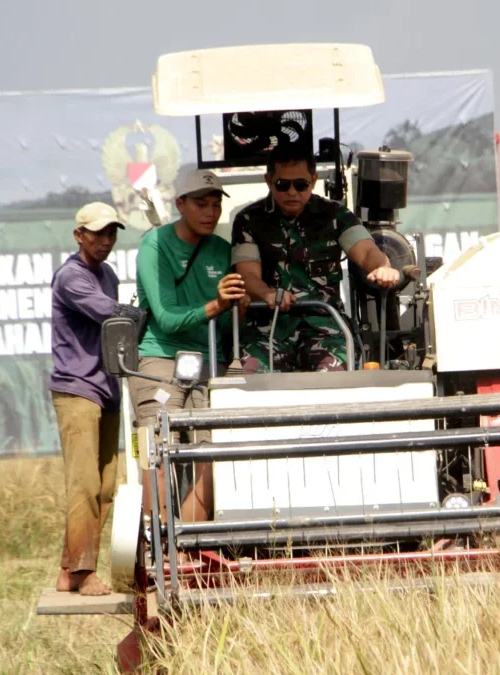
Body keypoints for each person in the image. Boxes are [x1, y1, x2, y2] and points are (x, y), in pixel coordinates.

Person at [131, 169, 249, 522]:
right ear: (179, 204)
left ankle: (192, 550)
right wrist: (216, 305)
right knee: (158, 452)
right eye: (201, 204)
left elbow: (227, 328)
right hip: (160, 356)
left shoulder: (222, 250)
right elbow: (165, 317)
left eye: (215, 204)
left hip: (209, 359)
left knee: (208, 455)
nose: (210, 212)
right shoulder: (155, 244)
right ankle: (160, 554)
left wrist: (238, 310)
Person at [230, 142, 400, 373]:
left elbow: (368, 251)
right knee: (249, 374)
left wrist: (382, 266)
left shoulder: (335, 215)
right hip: (267, 328)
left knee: (338, 373)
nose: (292, 192)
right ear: (268, 181)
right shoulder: (248, 220)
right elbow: (247, 274)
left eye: (301, 185)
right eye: (282, 184)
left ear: (313, 180)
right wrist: (267, 294)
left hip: (325, 326)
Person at [48, 201, 127, 596]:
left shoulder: (108, 273)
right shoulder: (71, 277)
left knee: (105, 486)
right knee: (83, 484)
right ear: (79, 235)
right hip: (77, 389)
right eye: (97, 233)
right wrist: (148, 316)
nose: (106, 240)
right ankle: (83, 573)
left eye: (111, 233)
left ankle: (68, 569)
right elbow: (111, 314)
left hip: (107, 387)